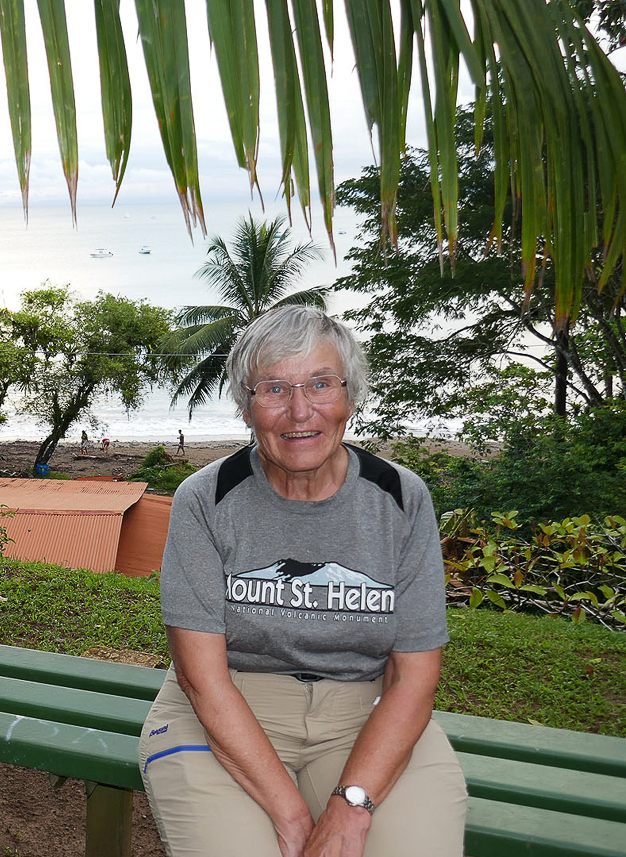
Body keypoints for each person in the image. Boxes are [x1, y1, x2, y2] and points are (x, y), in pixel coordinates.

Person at [138, 306, 466, 857]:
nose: (299, 412)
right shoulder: (206, 498)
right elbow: (203, 680)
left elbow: (414, 678)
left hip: (366, 712)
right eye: (274, 389)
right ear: (247, 407)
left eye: (321, 384)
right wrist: (292, 816)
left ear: (350, 397)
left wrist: (350, 807)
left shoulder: (400, 500)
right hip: (223, 709)